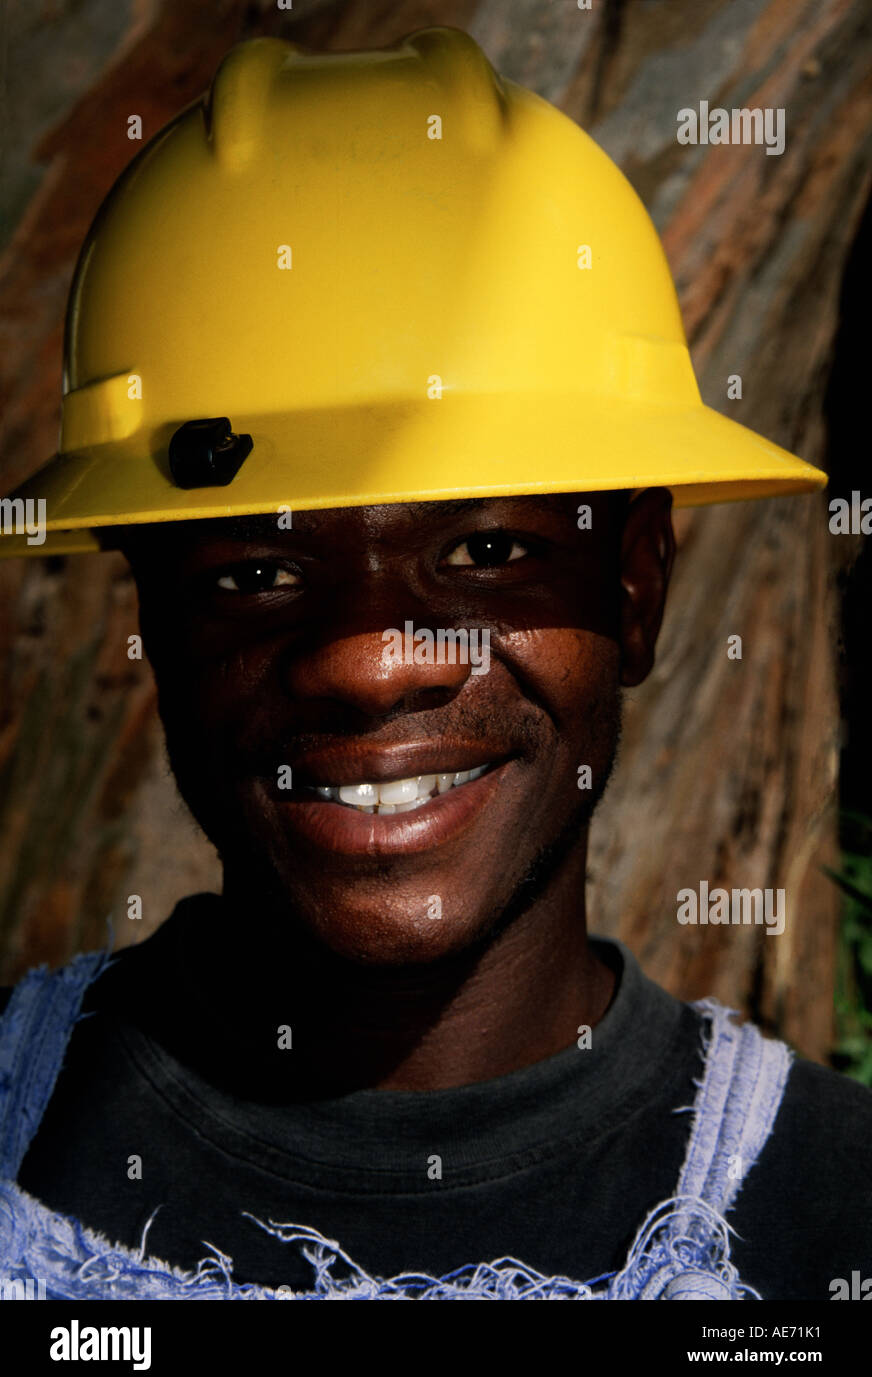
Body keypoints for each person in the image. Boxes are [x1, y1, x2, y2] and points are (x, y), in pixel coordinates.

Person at [0, 27, 868, 1302]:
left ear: (634, 586)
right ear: (155, 618)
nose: (368, 661)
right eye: (256, 573)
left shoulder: (832, 1219)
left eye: (483, 548)